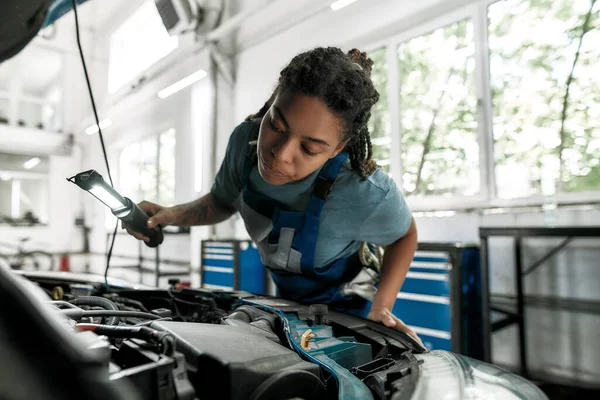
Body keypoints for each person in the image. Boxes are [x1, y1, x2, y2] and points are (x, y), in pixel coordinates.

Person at [124, 47, 422, 345]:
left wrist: (383, 306)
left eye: (309, 149)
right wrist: (171, 214)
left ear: (338, 148)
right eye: (276, 125)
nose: (280, 154)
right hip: (290, 308)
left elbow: (403, 236)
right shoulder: (245, 144)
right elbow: (222, 201)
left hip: (353, 319)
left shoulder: (363, 189)